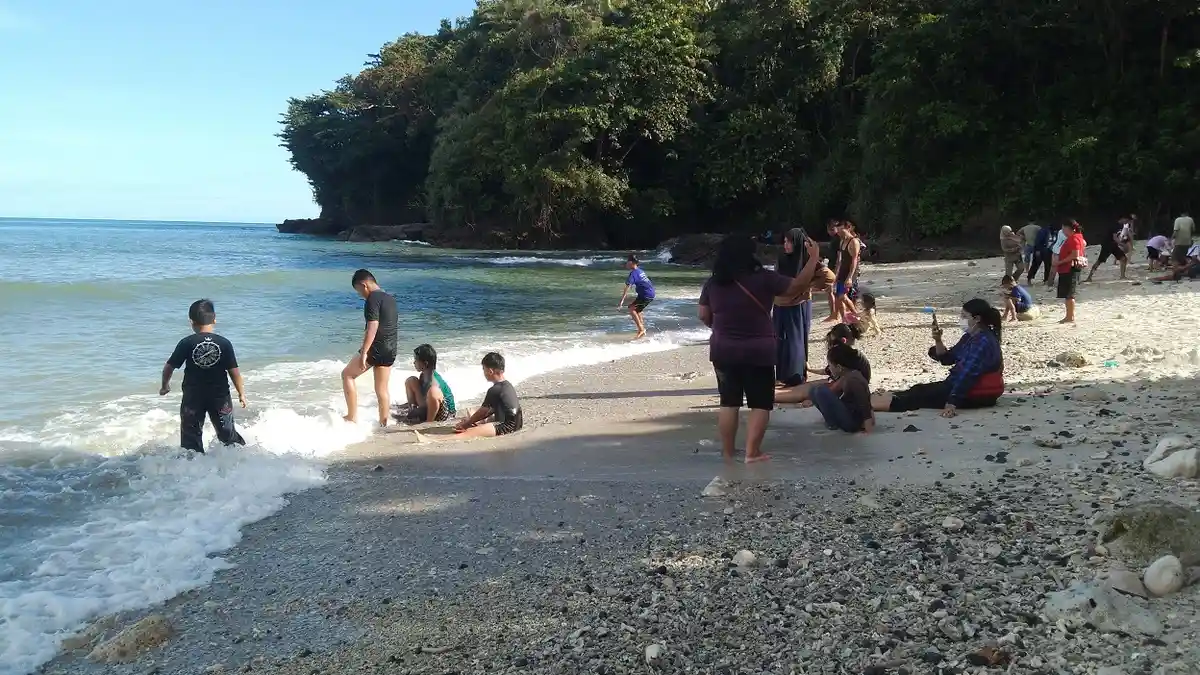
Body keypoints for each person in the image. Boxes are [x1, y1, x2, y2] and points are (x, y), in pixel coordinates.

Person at [698, 233, 821, 463]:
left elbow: (703, 314)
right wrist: (813, 259)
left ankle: (727, 453)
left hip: (724, 349)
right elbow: (797, 287)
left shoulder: (713, 283)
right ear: (750, 255)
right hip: (759, 351)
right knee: (760, 403)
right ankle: (752, 453)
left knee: (729, 402)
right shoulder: (764, 278)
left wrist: (719, 328)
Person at [870, 299, 1004, 418]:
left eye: (964, 316)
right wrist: (938, 340)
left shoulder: (983, 341)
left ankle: (867, 406)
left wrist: (952, 402)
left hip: (975, 393)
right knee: (918, 390)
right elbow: (948, 359)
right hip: (959, 386)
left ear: (977, 319)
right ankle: (873, 400)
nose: (961, 319)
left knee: (916, 398)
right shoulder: (970, 336)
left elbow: (967, 374)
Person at [160, 299, 247, 453]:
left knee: (190, 439)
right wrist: (241, 393)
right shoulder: (224, 343)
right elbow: (234, 371)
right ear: (214, 319)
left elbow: (169, 367)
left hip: (193, 397)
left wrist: (165, 385)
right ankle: (239, 462)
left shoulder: (186, 342)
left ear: (191, 322)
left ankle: (193, 470)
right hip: (220, 397)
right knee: (227, 434)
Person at [342, 269, 398, 427]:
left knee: (347, 375)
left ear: (364, 285)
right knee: (382, 389)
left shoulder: (372, 299)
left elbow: (373, 326)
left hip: (376, 347)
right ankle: (383, 423)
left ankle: (351, 417)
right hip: (391, 348)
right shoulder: (390, 298)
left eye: (359, 291)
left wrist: (364, 352)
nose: (360, 295)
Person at [776, 323, 871, 405]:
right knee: (807, 386)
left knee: (805, 391)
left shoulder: (846, 359)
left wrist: (816, 399)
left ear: (843, 341)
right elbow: (828, 372)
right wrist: (810, 369)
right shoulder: (850, 354)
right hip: (842, 386)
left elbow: (839, 386)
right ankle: (773, 393)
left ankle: (769, 396)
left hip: (846, 391)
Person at [804, 344, 875, 434]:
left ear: (839, 367)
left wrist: (868, 430)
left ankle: (833, 424)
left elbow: (865, 404)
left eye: (830, 365)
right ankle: (832, 422)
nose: (829, 369)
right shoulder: (846, 375)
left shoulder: (854, 379)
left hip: (853, 423)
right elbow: (834, 392)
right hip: (849, 413)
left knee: (820, 390)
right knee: (814, 390)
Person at [773, 228, 813, 388]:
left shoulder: (807, 260)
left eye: (789, 241)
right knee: (780, 339)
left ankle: (796, 375)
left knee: (796, 340)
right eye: (784, 241)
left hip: (799, 304)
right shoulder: (782, 258)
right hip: (781, 303)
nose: (786, 244)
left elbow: (826, 277)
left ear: (797, 243)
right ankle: (782, 375)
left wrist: (806, 290)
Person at [453, 352, 523, 438]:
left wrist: (466, 425)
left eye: (484, 369)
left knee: (464, 434)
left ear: (490, 371)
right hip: (518, 424)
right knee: (472, 415)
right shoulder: (507, 385)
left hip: (507, 427)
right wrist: (472, 421)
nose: (483, 373)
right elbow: (491, 410)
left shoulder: (494, 389)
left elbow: (483, 412)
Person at [400, 344, 456, 424]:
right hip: (429, 406)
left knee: (433, 391)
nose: (414, 362)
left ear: (425, 364)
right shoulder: (424, 375)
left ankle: (429, 422)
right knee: (411, 380)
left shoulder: (434, 382)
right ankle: (411, 409)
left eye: (416, 360)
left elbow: (433, 400)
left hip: (445, 415)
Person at [828, 220, 862, 324]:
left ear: (848, 228)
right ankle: (844, 320)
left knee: (842, 296)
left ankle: (856, 314)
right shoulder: (842, 241)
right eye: (838, 231)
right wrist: (836, 275)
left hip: (851, 271)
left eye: (841, 231)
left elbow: (854, 260)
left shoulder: (854, 242)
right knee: (838, 297)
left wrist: (850, 277)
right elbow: (839, 260)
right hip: (842, 271)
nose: (839, 233)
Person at [1055, 220, 1087, 324]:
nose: (1063, 231)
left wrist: (1060, 262)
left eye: (1064, 228)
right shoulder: (1078, 237)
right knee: (1068, 294)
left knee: (1069, 294)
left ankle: (1070, 317)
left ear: (1070, 228)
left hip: (1069, 268)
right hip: (1070, 268)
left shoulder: (1074, 238)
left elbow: (1075, 255)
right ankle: (1069, 316)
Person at [618, 254, 655, 340]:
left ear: (631, 262)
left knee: (631, 308)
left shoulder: (633, 274)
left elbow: (627, 288)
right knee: (637, 310)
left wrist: (621, 301)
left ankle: (641, 329)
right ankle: (642, 329)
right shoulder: (640, 271)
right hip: (647, 293)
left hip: (646, 295)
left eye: (627, 261)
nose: (626, 263)